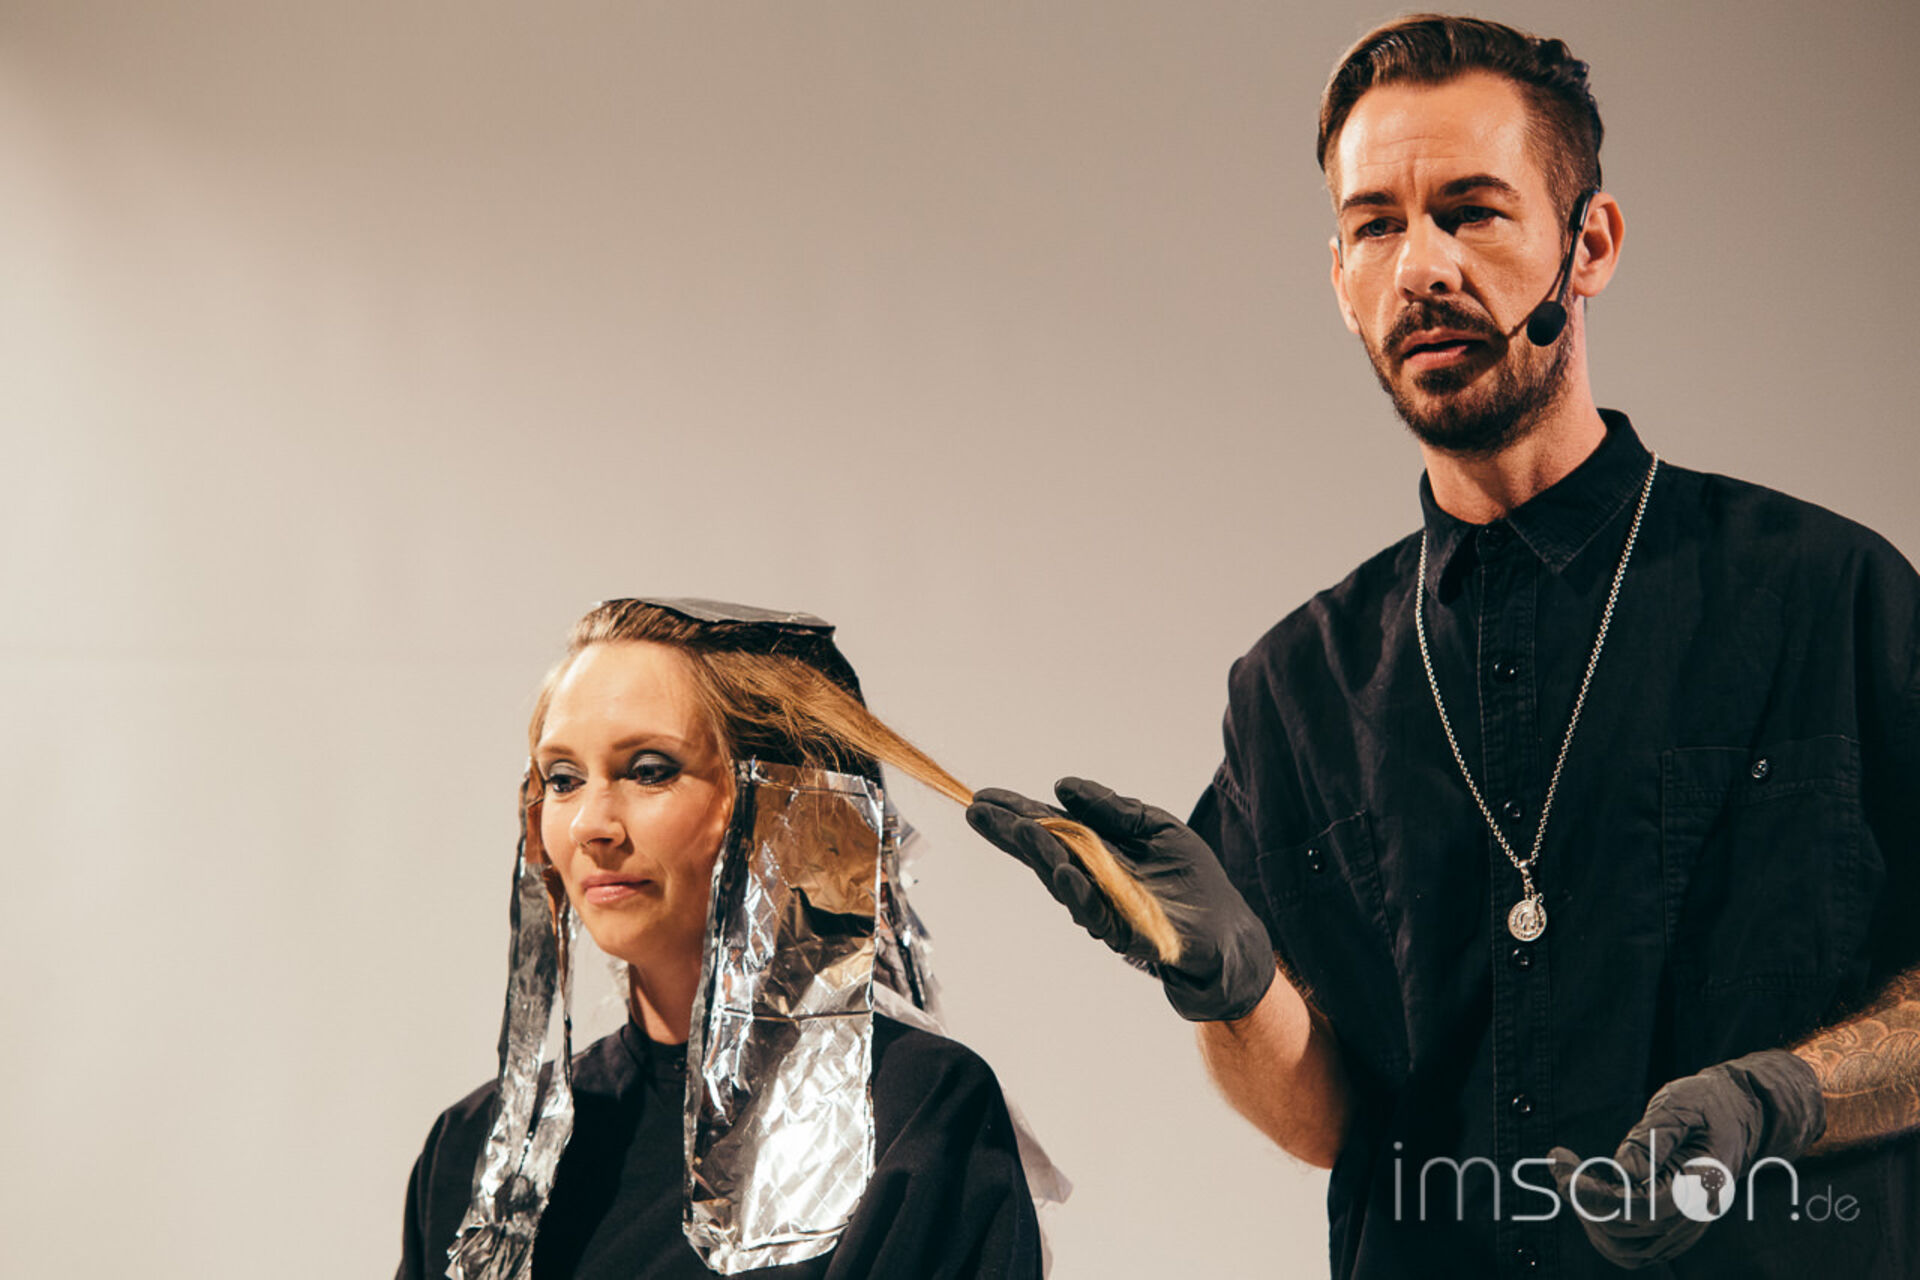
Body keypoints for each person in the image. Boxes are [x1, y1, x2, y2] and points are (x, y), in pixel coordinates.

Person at [967, 15, 1920, 1278]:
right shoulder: (1293, 689)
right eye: (1376, 226)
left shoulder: (1829, 595)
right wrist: (1231, 990)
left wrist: (1781, 1094)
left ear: (1591, 244)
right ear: (1340, 280)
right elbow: (1330, 1123)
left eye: (1471, 212)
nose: (1421, 266)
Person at [397, 598, 1062, 1280]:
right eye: (562, 780)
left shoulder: (912, 1112)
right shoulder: (472, 1153)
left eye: (649, 770)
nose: (591, 824)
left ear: (786, 802)